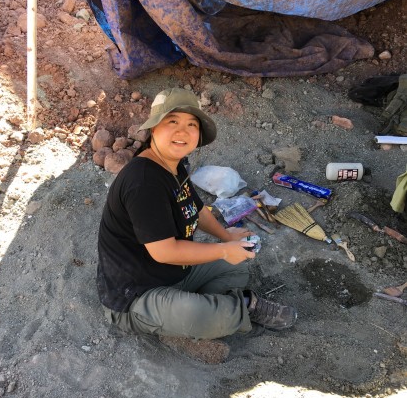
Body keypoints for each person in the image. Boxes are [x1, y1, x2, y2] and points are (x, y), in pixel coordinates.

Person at [97, 88, 296, 341]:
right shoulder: (143, 181)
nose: (183, 131)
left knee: (237, 268)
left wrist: (226, 237)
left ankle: (194, 310)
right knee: (203, 316)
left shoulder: (173, 165)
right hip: (136, 293)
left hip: (175, 272)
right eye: (173, 122)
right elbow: (164, 252)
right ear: (154, 129)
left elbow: (197, 209)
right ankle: (242, 306)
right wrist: (224, 250)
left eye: (192, 124)